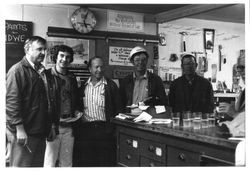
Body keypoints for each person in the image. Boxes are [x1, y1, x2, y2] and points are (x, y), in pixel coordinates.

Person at [6, 36, 59, 167]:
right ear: (27, 49)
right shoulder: (17, 71)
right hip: (25, 133)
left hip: (40, 131)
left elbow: (48, 100)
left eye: (45, 50)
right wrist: (19, 129)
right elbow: (12, 103)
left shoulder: (42, 71)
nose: (43, 53)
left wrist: (51, 125)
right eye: (39, 49)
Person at [73, 56, 121, 167]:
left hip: (105, 130)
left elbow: (119, 109)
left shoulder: (111, 86)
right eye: (96, 67)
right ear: (90, 69)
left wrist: (114, 130)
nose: (99, 70)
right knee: (86, 163)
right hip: (86, 131)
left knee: (104, 163)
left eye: (101, 67)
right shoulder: (83, 87)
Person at [43, 45, 82, 167]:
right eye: (62, 56)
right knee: (50, 163)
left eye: (68, 57)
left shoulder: (72, 77)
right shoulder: (46, 75)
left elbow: (74, 99)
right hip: (53, 126)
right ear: (56, 57)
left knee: (66, 163)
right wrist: (49, 125)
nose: (64, 59)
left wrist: (77, 110)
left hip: (69, 125)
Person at [119, 46, 167, 113]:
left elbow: (163, 101)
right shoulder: (126, 81)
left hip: (149, 118)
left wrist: (152, 101)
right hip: (129, 119)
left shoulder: (156, 80)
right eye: (137, 60)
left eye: (143, 60)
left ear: (147, 61)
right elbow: (120, 102)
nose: (140, 62)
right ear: (132, 62)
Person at [218, 57, 245, 137]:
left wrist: (233, 113)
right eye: (241, 68)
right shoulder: (244, 93)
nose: (244, 72)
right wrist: (229, 114)